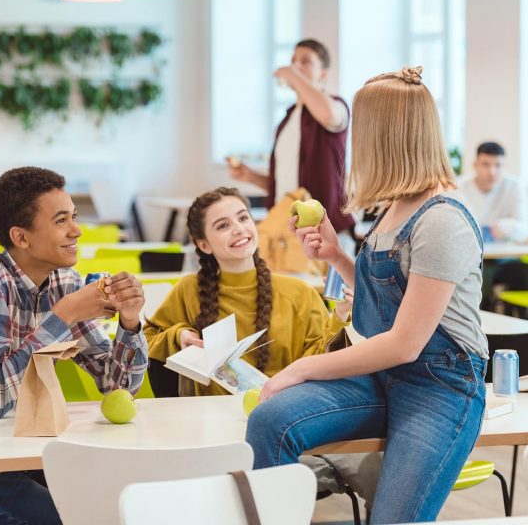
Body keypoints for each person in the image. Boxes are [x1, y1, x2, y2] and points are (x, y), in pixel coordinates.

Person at [245, 67, 489, 524]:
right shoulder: (396, 206)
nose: (355, 142)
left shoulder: (443, 220)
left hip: (439, 387)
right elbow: (392, 304)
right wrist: (338, 258)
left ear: (388, 136)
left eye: (363, 128)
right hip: (381, 375)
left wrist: (301, 368)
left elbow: (405, 341)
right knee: (271, 421)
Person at [0, 167, 148, 525]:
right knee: (69, 519)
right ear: (22, 237)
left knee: (113, 504)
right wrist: (63, 316)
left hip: (22, 452)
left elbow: (118, 387)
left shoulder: (64, 282)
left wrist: (130, 321)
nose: (76, 230)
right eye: (61, 220)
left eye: (73, 217)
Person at [144, 187, 349, 396]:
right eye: (223, 225)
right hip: (208, 420)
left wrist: (340, 314)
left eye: (243, 218)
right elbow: (144, 340)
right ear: (204, 245)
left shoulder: (300, 293)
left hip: (284, 414)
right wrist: (178, 336)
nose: (238, 229)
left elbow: (319, 359)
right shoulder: (188, 290)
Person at [227, 39, 355, 252]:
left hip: (325, 231)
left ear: (323, 74)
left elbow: (329, 115)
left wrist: (294, 76)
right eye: (293, 61)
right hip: (288, 233)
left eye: (305, 61)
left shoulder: (336, 105)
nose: (296, 66)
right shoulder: (286, 121)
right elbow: (285, 185)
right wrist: (250, 176)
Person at [457, 141, 528, 242]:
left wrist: (512, 227)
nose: (492, 172)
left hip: (504, 254)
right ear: (475, 165)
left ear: (505, 166)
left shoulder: (515, 186)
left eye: (498, 165)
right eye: (485, 165)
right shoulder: (460, 187)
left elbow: (524, 227)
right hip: (469, 251)